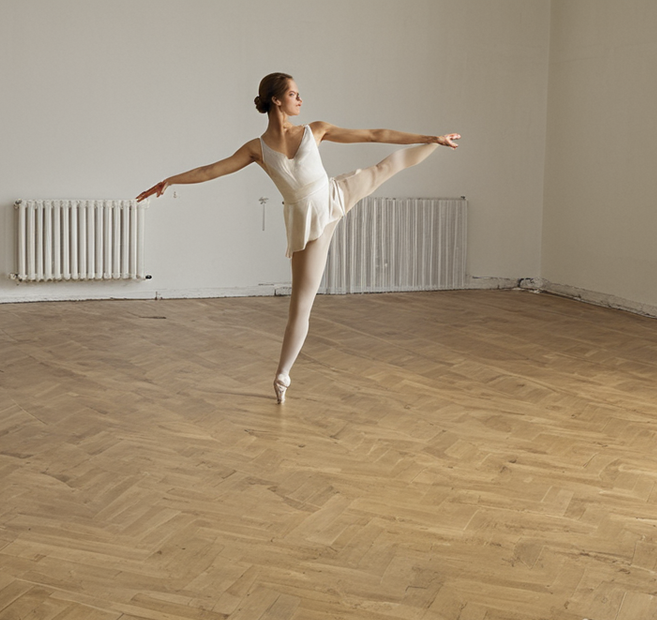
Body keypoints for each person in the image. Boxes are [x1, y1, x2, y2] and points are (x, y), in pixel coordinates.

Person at [137, 73, 459, 404]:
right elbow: (211, 170)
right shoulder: (256, 149)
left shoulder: (314, 130)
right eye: (294, 94)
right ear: (277, 100)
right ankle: (282, 375)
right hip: (306, 222)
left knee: (383, 169)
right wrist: (169, 181)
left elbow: (374, 135)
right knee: (301, 304)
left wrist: (431, 137)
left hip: (334, 194)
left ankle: (436, 144)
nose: (300, 99)